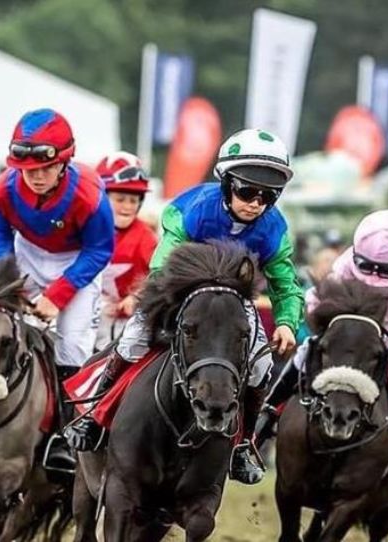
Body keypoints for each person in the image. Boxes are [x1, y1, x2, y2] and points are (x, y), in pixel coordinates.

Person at [63, 128, 304, 486]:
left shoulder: (274, 229)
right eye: (247, 191)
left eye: (268, 196)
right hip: (179, 292)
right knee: (133, 339)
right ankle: (96, 415)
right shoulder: (192, 210)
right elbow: (162, 267)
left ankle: (244, 444)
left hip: (233, 303)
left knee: (261, 364)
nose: (255, 202)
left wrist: (286, 323)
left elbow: (287, 285)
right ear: (225, 183)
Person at [254, 209, 388, 489]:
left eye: (384, 270)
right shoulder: (346, 261)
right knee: (309, 349)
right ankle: (269, 414)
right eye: (369, 267)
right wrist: (316, 317)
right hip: (355, 315)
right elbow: (321, 296)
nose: (375, 275)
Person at [0, 108, 115, 470]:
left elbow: (100, 250)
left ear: (63, 163)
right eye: (27, 170)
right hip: (25, 256)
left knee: (71, 346)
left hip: (78, 264)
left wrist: (58, 297)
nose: (36, 177)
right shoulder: (2, 190)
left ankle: (64, 437)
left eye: (44, 168)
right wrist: (13, 282)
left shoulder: (89, 196)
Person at [93, 152, 157, 350]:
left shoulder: (145, 236)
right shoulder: (85, 231)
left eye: (134, 200)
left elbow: (161, 274)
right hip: (87, 321)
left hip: (126, 327)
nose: (128, 207)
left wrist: (137, 296)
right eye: (120, 199)